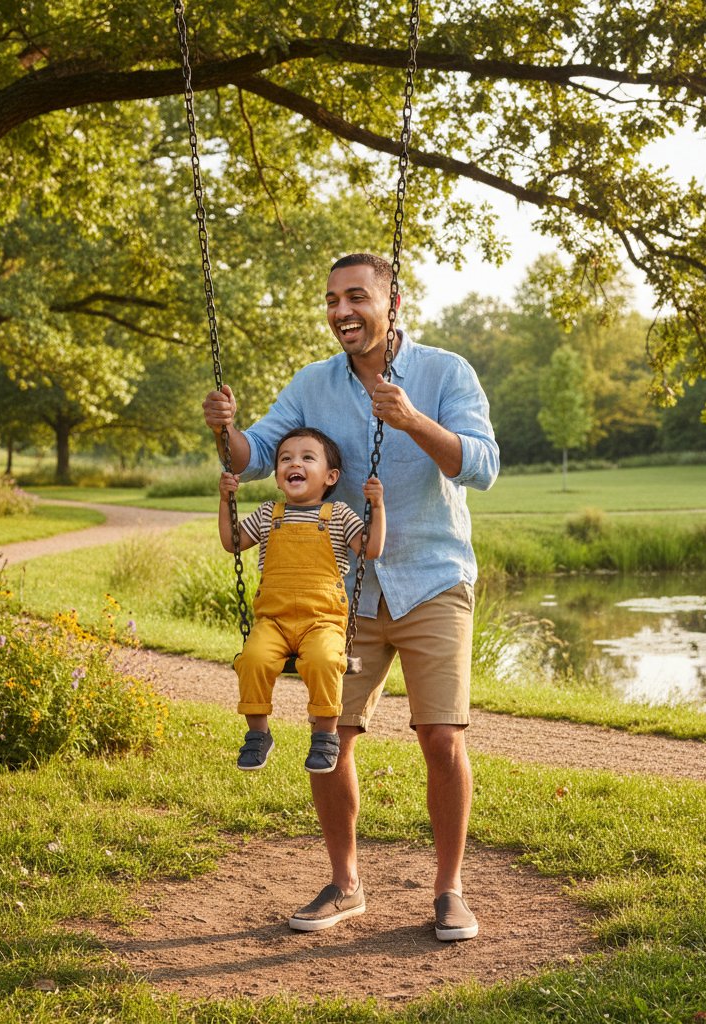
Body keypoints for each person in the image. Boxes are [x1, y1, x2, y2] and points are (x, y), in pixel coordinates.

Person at [202, 252, 499, 942]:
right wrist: (225, 428)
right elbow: (249, 457)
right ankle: (345, 884)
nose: (341, 311)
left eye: (356, 297)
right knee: (331, 735)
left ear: (395, 303)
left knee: (441, 735)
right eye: (332, 299)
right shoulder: (312, 384)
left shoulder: (446, 372)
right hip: (344, 589)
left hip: (432, 576)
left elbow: (481, 466)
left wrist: (414, 420)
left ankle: (449, 889)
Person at [219, 427, 385, 775]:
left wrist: (377, 506)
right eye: (286, 459)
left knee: (326, 661)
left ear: (330, 476)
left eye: (307, 457)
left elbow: (371, 549)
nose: (295, 463)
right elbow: (232, 542)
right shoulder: (268, 514)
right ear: (279, 477)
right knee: (251, 659)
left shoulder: (338, 515)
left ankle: (325, 736)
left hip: (322, 621)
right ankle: (258, 734)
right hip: (273, 622)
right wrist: (226, 501)